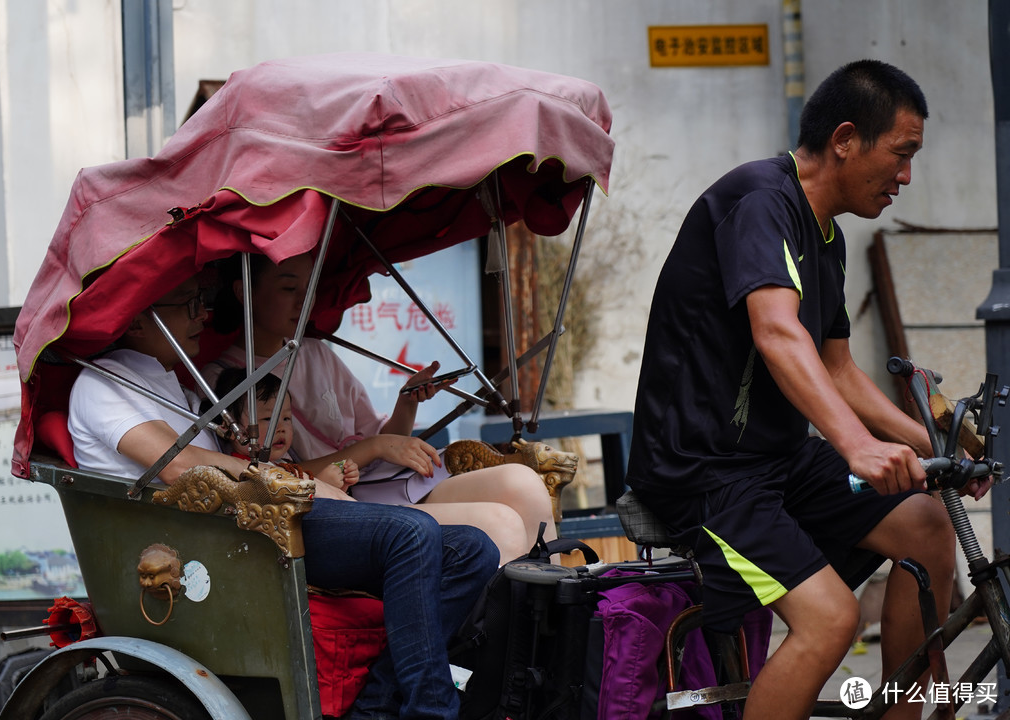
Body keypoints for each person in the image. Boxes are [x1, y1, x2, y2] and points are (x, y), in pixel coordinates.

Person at [624, 59, 991, 720]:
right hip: (703, 471)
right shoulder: (761, 201)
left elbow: (841, 369)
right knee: (830, 619)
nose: (907, 177)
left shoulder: (828, 236)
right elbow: (777, 332)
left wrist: (930, 447)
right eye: (901, 154)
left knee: (928, 526)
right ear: (845, 138)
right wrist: (855, 446)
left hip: (777, 462)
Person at [68, 274, 500, 720]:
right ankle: (432, 710)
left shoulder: (171, 382)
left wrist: (294, 477)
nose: (203, 314)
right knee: (411, 534)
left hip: (252, 518)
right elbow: (176, 464)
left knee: (473, 550)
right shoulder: (104, 385)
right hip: (218, 542)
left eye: (201, 300)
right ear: (137, 321)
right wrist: (286, 480)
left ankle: (376, 709)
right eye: (188, 303)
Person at [203, 252, 557, 564]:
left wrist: (406, 403)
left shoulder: (317, 354)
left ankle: (563, 611)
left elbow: (383, 444)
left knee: (523, 482)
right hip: (330, 506)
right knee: (499, 523)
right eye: (288, 288)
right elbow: (269, 474)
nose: (303, 303)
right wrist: (371, 449)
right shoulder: (223, 379)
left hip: (382, 485)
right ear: (244, 292)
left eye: (308, 289)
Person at [213, 367, 361, 491]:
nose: (281, 428)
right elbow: (279, 507)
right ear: (231, 429)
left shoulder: (282, 466)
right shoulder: (244, 472)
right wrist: (321, 486)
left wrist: (340, 485)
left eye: (286, 419)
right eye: (267, 419)